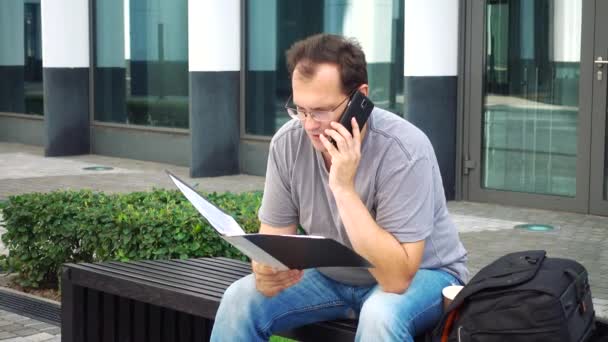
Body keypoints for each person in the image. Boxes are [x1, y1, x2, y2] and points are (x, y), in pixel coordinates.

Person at [210, 33, 468, 342]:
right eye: (300, 109)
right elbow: (273, 242)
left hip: (425, 275)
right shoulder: (288, 142)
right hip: (332, 275)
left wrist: (344, 189)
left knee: (380, 316)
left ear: (360, 98)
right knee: (240, 298)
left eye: (320, 111)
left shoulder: (404, 149)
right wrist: (265, 270)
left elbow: (396, 278)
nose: (308, 125)